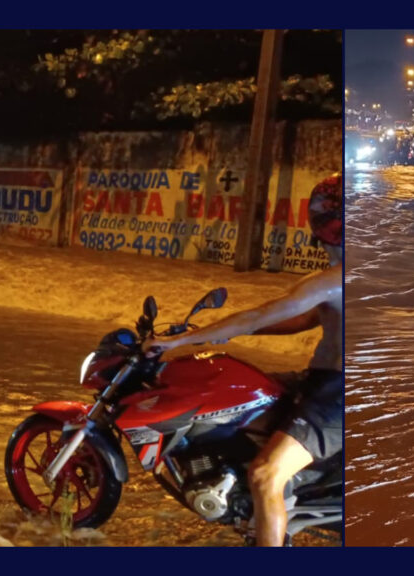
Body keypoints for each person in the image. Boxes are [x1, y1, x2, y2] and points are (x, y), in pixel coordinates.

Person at [142, 174, 343, 547]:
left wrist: (183, 340)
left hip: (337, 396)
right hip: (320, 380)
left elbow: (260, 314)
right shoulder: (341, 279)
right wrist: (234, 332)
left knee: (265, 474)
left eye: (324, 216)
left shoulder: (335, 280)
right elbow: (303, 320)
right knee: (243, 403)